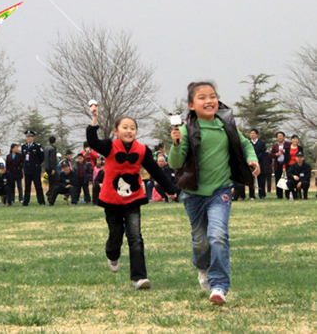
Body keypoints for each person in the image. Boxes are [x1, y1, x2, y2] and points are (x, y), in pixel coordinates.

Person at [169, 82, 259, 305]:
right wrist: (176, 144)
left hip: (221, 191)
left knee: (217, 235)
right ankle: (202, 267)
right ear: (191, 105)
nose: (209, 100)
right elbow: (175, 162)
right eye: (201, 97)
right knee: (200, 241)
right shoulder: (185, 129)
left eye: (212, 96)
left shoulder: (226, 125)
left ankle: (219, 285)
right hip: (193, 194)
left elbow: (245, 144)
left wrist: (252, 159)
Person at [87, 103, 176, 290]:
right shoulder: (109, 146)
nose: (129, 131)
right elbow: (93, 141)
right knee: (115, 236)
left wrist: (170, 188)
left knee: (135, 237)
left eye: (132, 128)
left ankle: (139, 278)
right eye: (125, 128)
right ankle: (112, 255)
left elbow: (155, 171)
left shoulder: (142, 150)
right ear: (116, 131)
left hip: (133, 199)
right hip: (111, 200)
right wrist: (94, 118)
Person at [22, 130, 46, 206]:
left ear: (33, 137)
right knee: (27, 187)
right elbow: (23, 157)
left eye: (29, 137)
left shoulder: (37, 146)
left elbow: (42, 157)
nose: (28, 138)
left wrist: (36, 164)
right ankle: (25, 202)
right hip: (27, 169)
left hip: (35, 170)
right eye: (27, 137)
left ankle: (41, 201)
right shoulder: (24, 146)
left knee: (38, 186)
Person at [270, 132, 291, 199]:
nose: (280, 137)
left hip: (286, 164)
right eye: (278, 136)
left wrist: (284, 151)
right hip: (278, 164)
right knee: (278, 180)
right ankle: (279, 195)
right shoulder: (275, 146)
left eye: (281, 136)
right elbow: (271, 154)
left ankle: (287, 195)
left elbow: (290, 152)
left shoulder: (288, 144)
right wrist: (276, 155)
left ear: (284, 137)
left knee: (286, 179)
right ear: (277, 138)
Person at [249, 129, 268, 200]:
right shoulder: (248, 142)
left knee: (261, 179)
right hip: (250, 163)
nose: (252, 135)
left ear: (257, 134)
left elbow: (263, 152)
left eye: (253, 133)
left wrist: (256, 158)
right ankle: (251, 195)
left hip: (260, 163)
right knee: (251, 179)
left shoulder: (262, 143)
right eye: (251, 133)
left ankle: (262, 194)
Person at [44, 136, 58, 202]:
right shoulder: (52, 149)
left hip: (46, 167)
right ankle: (49, 192)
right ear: (55, 141)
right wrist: (53, 169)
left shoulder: (46, 148)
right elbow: (52, 159)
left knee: (51, 182)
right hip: (51, 168)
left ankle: (50, 197)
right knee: (56, 181)